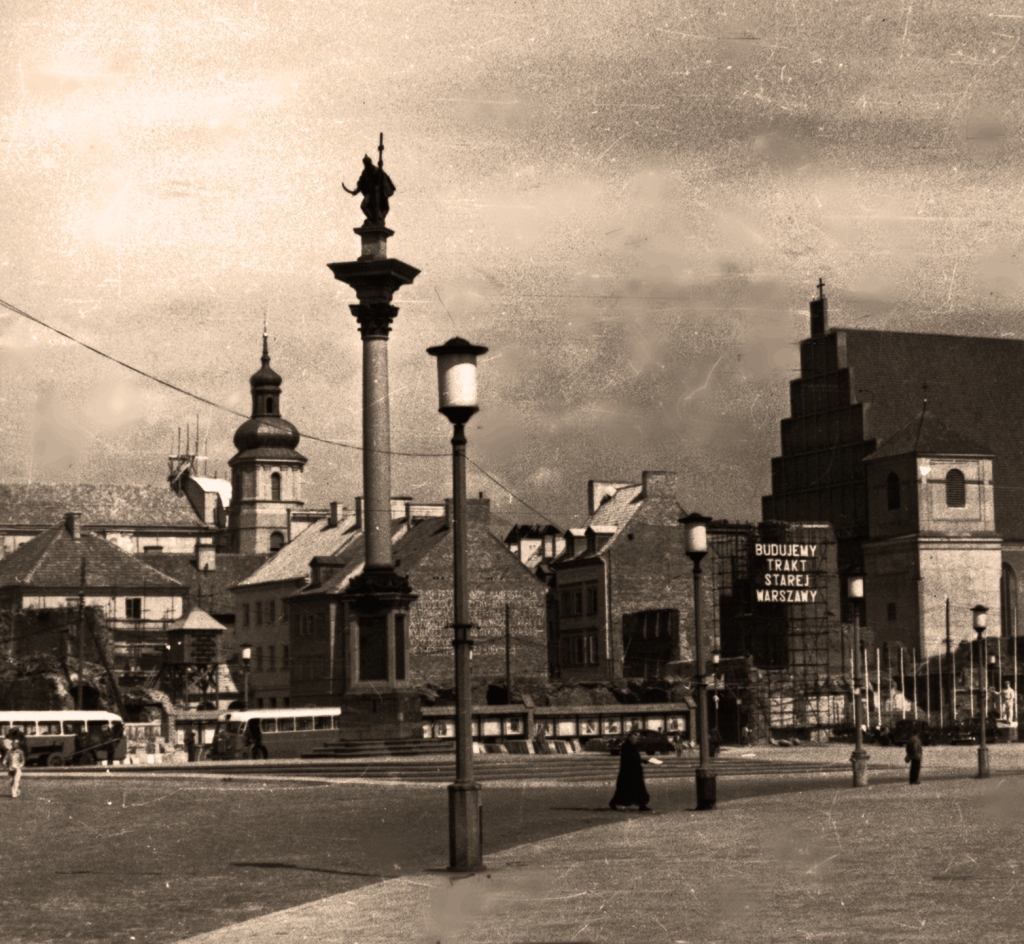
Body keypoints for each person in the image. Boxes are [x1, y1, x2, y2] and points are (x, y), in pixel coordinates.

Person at [609, 728, 651, 812]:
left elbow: (635, 757)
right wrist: (642, 761)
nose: (636, 739)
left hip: (636, 771)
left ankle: (642, 805)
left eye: (637, 738)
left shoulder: (633, 746)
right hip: (628, 772)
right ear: (629, 737)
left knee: (640, 788)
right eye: (634, 737)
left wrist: (643, 761)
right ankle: (613, 803)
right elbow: (630, 759)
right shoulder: (626, 746)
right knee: (623, 789)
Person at [4, 729, 25, 798]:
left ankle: (14, 794)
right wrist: (4, 762)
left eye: (15, 744)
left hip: (17, 769)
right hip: (10, 768)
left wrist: (20, 766)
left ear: (17, 745)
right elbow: (5, 758)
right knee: (11, 782)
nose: (13, 745)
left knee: (16, 781)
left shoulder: (20, 752)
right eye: (12, 744)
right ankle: (17, 790)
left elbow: (22, 760)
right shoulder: (9, 752)